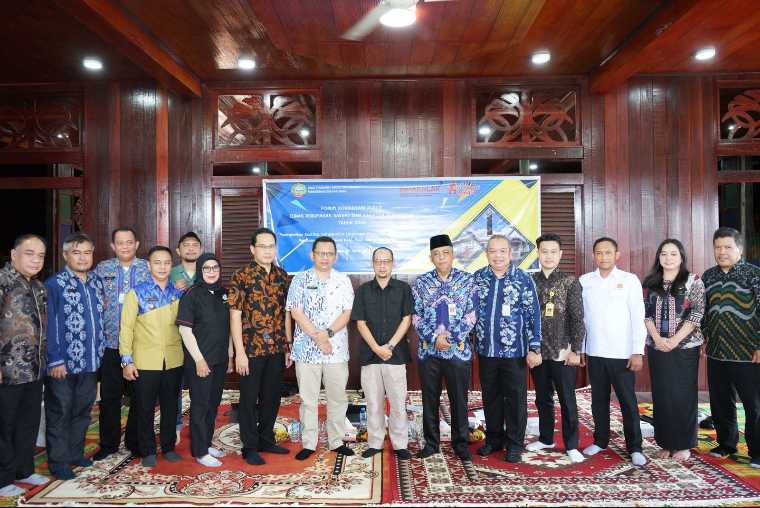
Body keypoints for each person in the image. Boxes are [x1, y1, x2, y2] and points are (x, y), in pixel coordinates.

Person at [473, 235, 541, 464]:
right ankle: (494, 440)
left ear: (510, 254)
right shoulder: (478, 278)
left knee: (515, 399)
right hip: (487, 350)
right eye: (493, 251)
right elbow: (469, 313)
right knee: (490, 397)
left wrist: (534, 347)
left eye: (502, 251)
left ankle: (514, 444)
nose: (498, 256)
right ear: (487, 254)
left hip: (514, 352)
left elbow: (533, 315)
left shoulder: (523, 279)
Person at [580, 237, 647, 466]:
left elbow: (638, 316)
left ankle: (635, 447)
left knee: (627, 401)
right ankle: (600, 441)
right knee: (598, 400)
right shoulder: (585, 281)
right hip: (595, 352)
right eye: (599, 253)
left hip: (622, 353)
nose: (603, 257)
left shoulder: (629, 280)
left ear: (617, 255)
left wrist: (637, 351)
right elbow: (581, 320)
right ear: (593, 256)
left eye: (608, 252)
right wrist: (581, 349)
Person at [44, 233, 106, 480]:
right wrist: (55, 359)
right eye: (76, 253)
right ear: (65, 255)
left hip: (90, 361)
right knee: (60, 412)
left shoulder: (96, 282)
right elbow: (49, 325)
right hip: (63, 364)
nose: (82, 258)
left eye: (87, 252)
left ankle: (74, 454)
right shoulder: (54, 284)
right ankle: (58, 463)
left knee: (82, 411)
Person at [286, 236, 354, 461]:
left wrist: (328, 334)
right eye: (321, 253)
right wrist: (318, 338)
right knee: (308, 399)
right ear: (312, 255)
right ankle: (309, 443)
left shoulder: (343, 280)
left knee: (337, 397)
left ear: (335, 256)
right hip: (306, 349)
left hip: (336, 349)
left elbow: (347, 313)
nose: (325, 257)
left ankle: (336, 441)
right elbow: (296, 312)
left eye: (329, 253)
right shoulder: (300, 280)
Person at [412, 234, 478, 461]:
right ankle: (431, 443)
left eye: (445, 253)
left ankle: (461, 444)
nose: (441, 257)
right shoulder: (421, 283)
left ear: (453, 254)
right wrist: (434, 338)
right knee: (429, 399)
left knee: (459, 399)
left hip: (457, 351)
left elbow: (471, 315)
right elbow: (416, 316)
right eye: (436, 254)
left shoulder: (467, 281)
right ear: (431, 258)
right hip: (429, 351)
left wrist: (450, 338)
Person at [229, 227, 292, 466]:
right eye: (262, 246)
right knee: (248, 399)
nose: (267, 251)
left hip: (276, 348)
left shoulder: (282, 276)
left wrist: (287, 346)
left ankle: (266, 439)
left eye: (271, 246)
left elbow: (286, 314)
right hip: (251, 350)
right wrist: (239, 352)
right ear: (252, 249)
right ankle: (249, 446)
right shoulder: (241, 276)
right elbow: (235, 315)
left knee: (272, 397)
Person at [120, 246, 184, 467]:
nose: (162, 267)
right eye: (157, 262)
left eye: (167, 262)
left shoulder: (178, 293)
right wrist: (126, 361)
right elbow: (126, 329)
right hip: (145, 361)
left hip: (174, 359)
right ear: (148, 265)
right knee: (145, 408)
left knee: (170, 407)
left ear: (171, 265)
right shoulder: (136, 293)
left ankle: (168, 447)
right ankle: (147, 450)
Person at [702, 227, 760, 469]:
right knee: (720, 401)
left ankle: (757, 451)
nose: (722, 252)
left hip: (748, 353)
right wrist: (704, 338)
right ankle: (726, 444)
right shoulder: (708, 276)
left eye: (727, 247)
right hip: (716, 351)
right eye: (718, 247)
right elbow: (703, 311)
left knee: (754, 405)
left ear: (740, 249)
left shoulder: (753, 275)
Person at [642, 238, 705, 461]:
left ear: (681, 257)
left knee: (682, 394)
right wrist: (657, 338)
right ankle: (666, 442)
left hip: (685, 346)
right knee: (662, 395)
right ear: (658, 257)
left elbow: (697, 313)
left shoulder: (693, 281)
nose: (668, 258)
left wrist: (675, 339)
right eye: (664, 254)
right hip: (657, 346)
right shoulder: (650, 282)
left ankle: (683, 444)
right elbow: (645, 313)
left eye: (673, 254)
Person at [526, 233, 586, 463]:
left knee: (567, 400)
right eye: (544, 251)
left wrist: (575, 349)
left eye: (553, 252)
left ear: (560, 254)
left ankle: (571, 444)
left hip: (563, 350)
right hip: (539, 351)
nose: (549, 256)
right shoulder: (530, 281)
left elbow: (577, 318)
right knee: (543, 398)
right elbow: (526, 318)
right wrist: (530, 349)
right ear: (538, 254)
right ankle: (546, 438)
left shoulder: (570, 282)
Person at [93, 227, 151, 461]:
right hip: (110, 344)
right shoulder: (102, 269)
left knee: (140, 397)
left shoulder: (147, 268)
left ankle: (135, 442)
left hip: (139, 345)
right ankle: (108, 444)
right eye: (120, 243)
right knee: (109, 397)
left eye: (129, 242)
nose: (125, 246)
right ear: (113, 246)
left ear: (136, 244)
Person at [351, 247, 413, 460]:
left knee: (398, 403)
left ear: (392, 263)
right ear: (373, 264)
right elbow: (360, 323)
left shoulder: (403, 289)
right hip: (371, 356)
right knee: (373, 403)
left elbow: (407, 319)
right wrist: (377, 348)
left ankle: (400, 444)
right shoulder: (363, 290)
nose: (382, 265)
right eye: (378, 261)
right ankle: (375, 442)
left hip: (396, 356)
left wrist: (391, 346)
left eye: (386, 261)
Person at [0, 234, 49, 497]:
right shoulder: (3, 281)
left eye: (40, 255)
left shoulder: (38, 287)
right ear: (13, 254)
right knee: (4, 425)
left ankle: (24, 470)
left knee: (28, 423)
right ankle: (2, 478)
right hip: (7, 371)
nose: (35, 260)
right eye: (29, 253)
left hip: (34, 369)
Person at [176, 253, 233, 467]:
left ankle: (206, 443)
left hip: (220, 359)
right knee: (200, 405)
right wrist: (199, 360)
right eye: (207, 268)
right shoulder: (191, 294)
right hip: (200, 361)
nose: (211, 272)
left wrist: (230, 355)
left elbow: (228, 328)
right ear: (200, 270)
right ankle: (200, 452)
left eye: (215, 267)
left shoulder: (224, 293)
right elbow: (185, 331)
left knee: (213, 403)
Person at [170, 231, 202, 440]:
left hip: (201, 337)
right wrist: (174, 290)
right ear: (178, 250)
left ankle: (199, 426)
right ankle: (175, 425)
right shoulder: (170, 273)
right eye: (186, 245)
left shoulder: (207, 270)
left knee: (200, 385)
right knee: (175, 385)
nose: (190, 248)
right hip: (175, 336)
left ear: (200, 249)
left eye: (194, 245)